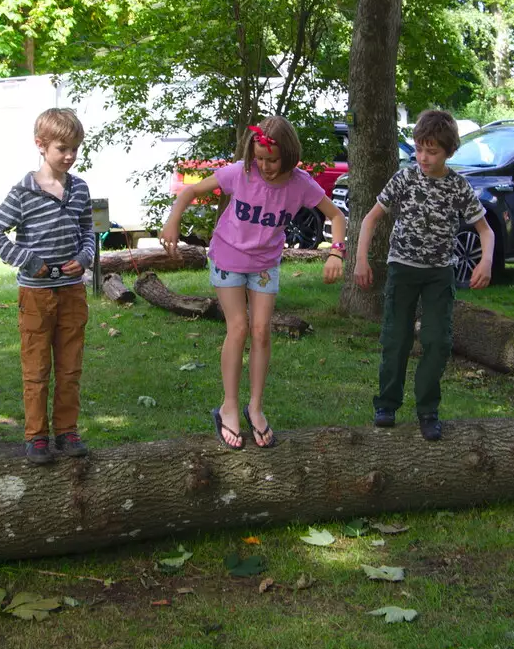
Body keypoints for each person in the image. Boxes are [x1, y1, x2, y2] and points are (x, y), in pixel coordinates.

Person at [161, 117, 346, 450]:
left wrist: (336, 252)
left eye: (272, 160)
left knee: (261, 331)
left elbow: (336, 216)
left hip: (264, 264)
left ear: (289, 155)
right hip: (228, 257)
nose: (265, 166)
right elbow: (191, 190)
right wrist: (173, 220)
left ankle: (255, 407)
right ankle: (228, 405)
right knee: (239, 328)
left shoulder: (301, 185)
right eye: (259, 159)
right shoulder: (240, 173)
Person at [353, 109, 493, 441]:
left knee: (437, 341)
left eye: (432, 151)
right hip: (402, 269)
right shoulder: (404, 178)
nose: (424, 157)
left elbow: (485, 231)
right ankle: (386, 404)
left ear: (449, 151)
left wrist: (485, 262)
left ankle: (428, 410)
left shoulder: (458, 186)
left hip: (438, 275)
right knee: (395, 338)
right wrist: (361, 259)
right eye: (419, 149)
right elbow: (371, 218)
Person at [0, 108, 97, 464]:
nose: (69, 156)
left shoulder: (79, 188)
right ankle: (36, 437)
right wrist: (30, 261)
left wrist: (86, 256)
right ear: (41, 145)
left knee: (70, 367)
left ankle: (66, 432)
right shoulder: (23, 192)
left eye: (75, 149)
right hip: (36, 295)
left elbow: (88, 231)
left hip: (73, 292)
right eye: (62, 148)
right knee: (36, 369)